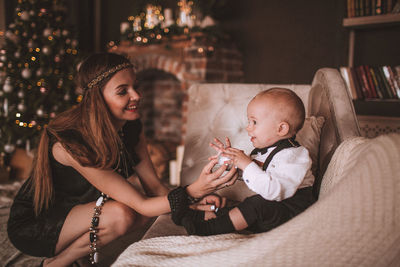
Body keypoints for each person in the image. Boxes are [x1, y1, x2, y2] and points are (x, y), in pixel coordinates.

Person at [7, 52, 237, 266]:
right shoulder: (72, 143)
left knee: (136, 211)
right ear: (98, 98)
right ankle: (57, 263)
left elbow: (155, 187)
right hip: (39, 222)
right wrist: (194, 190)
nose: (137, 96)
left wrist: (192, 206)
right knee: (122, 214)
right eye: (122, 91)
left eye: (135, 87)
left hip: (85, 208)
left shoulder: (130, 127)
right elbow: (143, 205)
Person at [174, 88, 316, 236]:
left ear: (281, 128)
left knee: (254, 205)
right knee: (238, 207)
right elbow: (252, 175)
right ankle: (196, 216)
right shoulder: (266, 151)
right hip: (271, 212)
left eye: (254, 122)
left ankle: (208, 228)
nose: (248, 128)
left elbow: (273, 191)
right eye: (249, 121)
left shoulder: (295, 156)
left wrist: (246, 164)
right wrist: (230, 161)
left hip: (292, 214)